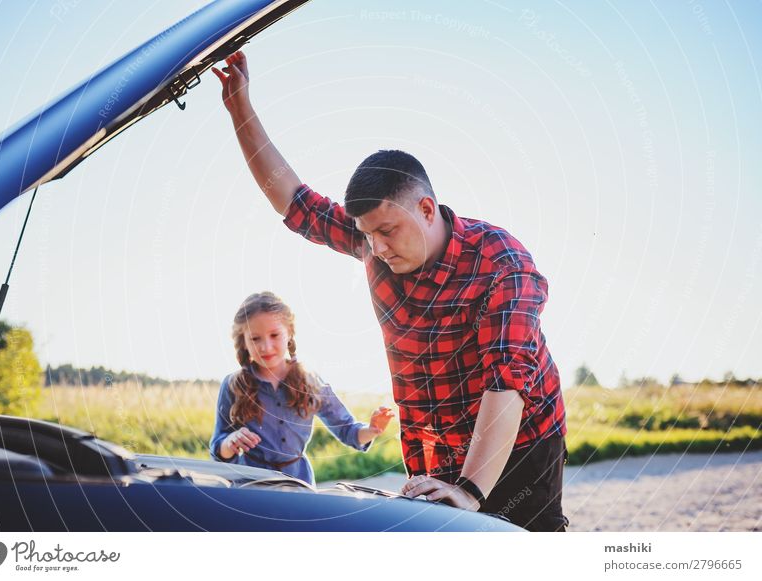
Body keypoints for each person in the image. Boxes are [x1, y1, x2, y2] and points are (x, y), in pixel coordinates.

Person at [211, 51, 568, 531]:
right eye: (367, 234)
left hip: (520, 449)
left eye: (387, 230)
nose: (376, 248)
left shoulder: (501, 263)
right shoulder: (372, 241)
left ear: (425, 207)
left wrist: (470, 490)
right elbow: (294, 202)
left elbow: (507, 379)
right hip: (433, 447)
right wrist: (240, 109)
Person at [209, 291, 394, 486]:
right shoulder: (233, 385)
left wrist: (372, 429)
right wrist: (230, 442)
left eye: (274, 335)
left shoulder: (311, 382)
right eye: (255, 338)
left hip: (299, 484)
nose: (266, 346)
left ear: (289, 333)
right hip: (250, 486)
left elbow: (348, 430)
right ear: (243, 341)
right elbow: (218, 449)